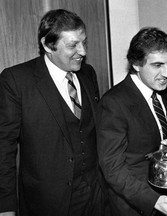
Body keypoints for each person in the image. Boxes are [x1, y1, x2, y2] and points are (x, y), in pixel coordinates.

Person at [0, 9, 109, 216]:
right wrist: (5, 207)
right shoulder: (16, 80)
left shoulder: (88, 73)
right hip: (48, 202)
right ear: (48, 45)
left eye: (84, 42)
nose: (83, 51)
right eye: (73, 45)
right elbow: (3, 148)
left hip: (95, 196)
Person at [96, 27, 167, 216]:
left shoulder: (157, 93)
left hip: (160, 195)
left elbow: (156, 127)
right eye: (157, 65)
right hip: (133, 204)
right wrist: (153, 200)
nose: (166, 73)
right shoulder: (114, 102)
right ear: (136, 64)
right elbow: (112, 168)